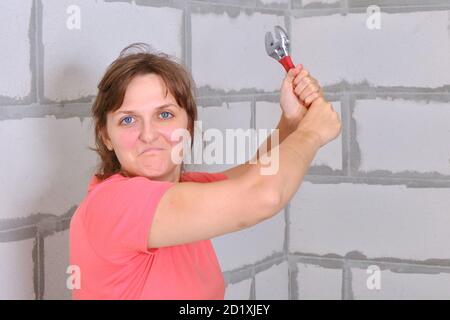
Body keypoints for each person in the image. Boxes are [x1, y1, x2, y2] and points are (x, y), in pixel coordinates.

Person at [69, 43, 341, 300]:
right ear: (106, 135)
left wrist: (291, 121)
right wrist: (312, 132)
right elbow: (263, 195)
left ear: (188, 125)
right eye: (128, 120)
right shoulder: (112, 204)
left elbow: (258, 173)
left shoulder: (183, 189)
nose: (148, 134)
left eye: (164, 115)